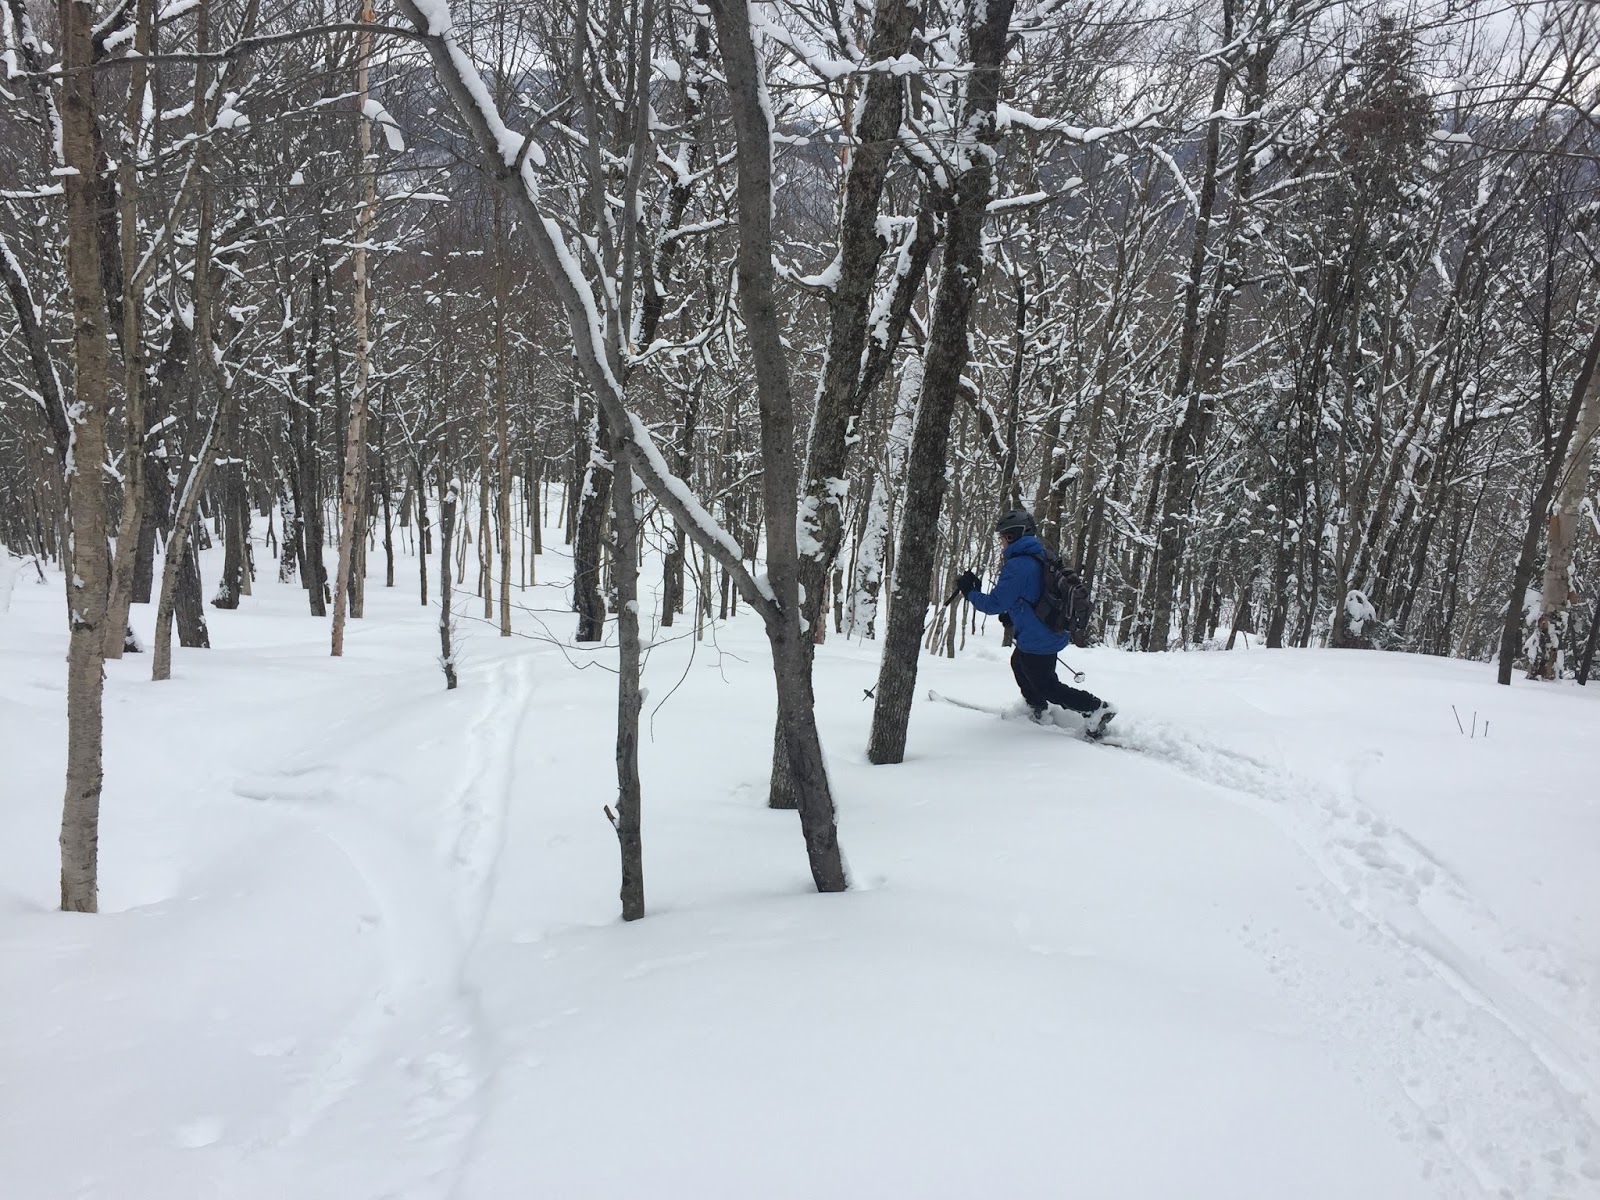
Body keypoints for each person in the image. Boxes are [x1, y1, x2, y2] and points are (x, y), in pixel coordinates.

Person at [956, 509, 1117, 738]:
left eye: (1002, 537)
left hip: (1038, 638)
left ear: (1013, 536)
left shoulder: (1018, 566)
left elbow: (993, 604)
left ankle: (1096, 708)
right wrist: (1013, 614)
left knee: (1047, 685)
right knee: (1019, 663)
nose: (1000, 542)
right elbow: (1033, 594)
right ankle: (1038, 708)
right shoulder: (1042, 555)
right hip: (1048, 631)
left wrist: (970, 591)